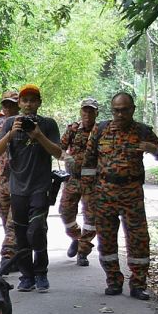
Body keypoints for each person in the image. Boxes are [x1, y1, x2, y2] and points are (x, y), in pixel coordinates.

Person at [83, 91, 158, 300]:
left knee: (139, 240)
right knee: (107, 240)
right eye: (116, 110)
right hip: (104, 194)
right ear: (112, 110)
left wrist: (154, 149)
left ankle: (138, 284)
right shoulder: (100, 129)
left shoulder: (142, 131)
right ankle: (113, 280)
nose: (120, 114)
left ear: (132, 109)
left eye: (124, 110)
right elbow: (88, 162)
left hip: (132, 194)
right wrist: (88, 195)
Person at [0, 83, 61, 292]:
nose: (29, 104)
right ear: (20, 104)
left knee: (37, 230)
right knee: (21, 235)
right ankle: (27, 276)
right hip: (17, 188)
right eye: (25, 100)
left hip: (40, 185)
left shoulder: (48, 124)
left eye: (33, 100)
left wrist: (39, 135)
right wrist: (11, 134)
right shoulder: (10, 123)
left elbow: (58, 153)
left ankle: (41, 273)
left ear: (39, 103)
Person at [59, 98, 100, 267]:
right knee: (65, 211)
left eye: (91, 111)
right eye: (85, 111)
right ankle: (77, 237)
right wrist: (66, 157)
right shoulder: (73, 129)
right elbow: (58, 148)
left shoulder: (102, 130)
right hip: (74, 179)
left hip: (94, 182)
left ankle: (83, 251)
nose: (88, 114)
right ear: (81, 112)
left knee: (91, 219)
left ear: (97, 113)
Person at [0, 90, 20, 272]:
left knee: (13, 221)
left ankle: (7, 256)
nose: (8, 108)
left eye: (11, 104)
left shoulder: (24, 124)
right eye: (5, 104)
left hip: (20, 180)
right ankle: (18, 255)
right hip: (3, 179)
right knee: (5, 218)